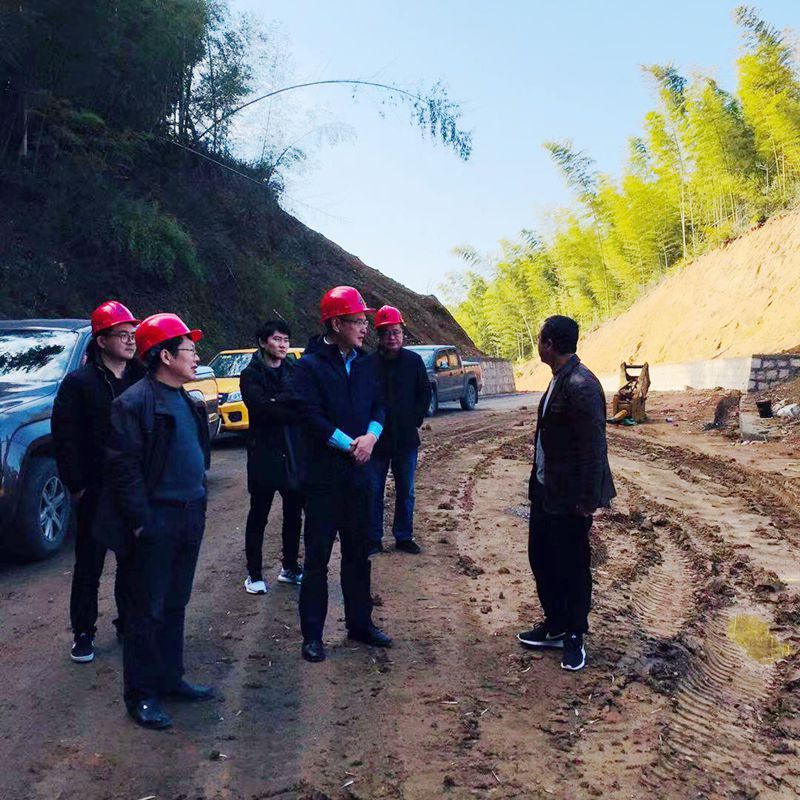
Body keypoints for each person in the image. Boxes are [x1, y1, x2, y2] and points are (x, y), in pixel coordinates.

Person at [94, 313, 214, 729]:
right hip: (157, 521)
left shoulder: (188, 401)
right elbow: (123, 469)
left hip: (189, 515)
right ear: (165, 356)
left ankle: (170, 678)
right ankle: (141, 696)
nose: (196, 357)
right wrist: (142, 522)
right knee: (146, 611)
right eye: (189, 350)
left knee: (176, 603)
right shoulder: (133, 404)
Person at [291, 286, 392, 663]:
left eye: (365, 321)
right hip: (324, 479)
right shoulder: (309, 366)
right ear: (336, 324)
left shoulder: (367, 363)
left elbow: (379, 405)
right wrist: (349, 444)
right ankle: (313, 636)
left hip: (359, 477)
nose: (365, 328)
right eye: (358, 321)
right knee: (317, 558)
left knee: (358, 554)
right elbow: (308, 415)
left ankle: (360, 624)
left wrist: (372, 436)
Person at [517, 315, 615, 672]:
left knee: (572, 565)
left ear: (550, 344)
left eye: (539, 338)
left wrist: (586, 501)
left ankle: (574, 634)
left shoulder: (581, 384)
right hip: (547, 491)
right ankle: (556, 623)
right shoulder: (560, 378)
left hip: (570, 498)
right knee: (542, 558)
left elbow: (593, 449)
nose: (537, 344)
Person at [52, 300, 145, 664]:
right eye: (122, 334)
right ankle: (83, 633)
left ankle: (128, 622)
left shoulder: (141, 377)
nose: (130, 340)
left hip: (132, 487)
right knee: (89, 565)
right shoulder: (79, 383)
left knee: (132, 561)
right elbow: (65, 438)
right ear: (102, 340)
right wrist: (77, 486)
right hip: (96, 489)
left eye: (133, 334)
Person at [241, 319, 304, 593]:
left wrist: (277, 402)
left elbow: (302, 403)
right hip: (263, 454)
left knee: (293, 514)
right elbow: (261, 408)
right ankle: (254, 574)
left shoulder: (294, 369)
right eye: (277, 339)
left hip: (292, 451)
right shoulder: (251, 374)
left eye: (286, 340)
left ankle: (290, 567)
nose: (282, 345)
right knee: (259, 514)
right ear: (263, 342)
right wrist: (284, 404)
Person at [366, 305, 431, 555]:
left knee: (406, 491)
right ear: (379, 336)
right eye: (386, 333)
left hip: (405, 439)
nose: (392, 337)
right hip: (376, 440)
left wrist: (414, 419)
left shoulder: (413, 362)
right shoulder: (368, 364)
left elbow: (424, 392)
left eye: (396, 332)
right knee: (374, 490)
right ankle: (373, 538)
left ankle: (403, 536)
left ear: (402, 333)